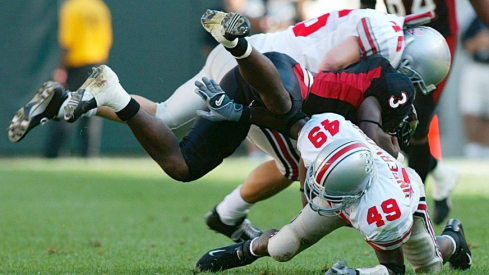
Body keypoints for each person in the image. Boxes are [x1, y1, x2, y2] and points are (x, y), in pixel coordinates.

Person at [7, 8, 447, 244]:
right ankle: (229, 216)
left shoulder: (383, 33)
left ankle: (86, 98)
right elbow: (332, 66)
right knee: (302, 162)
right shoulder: (387, 39)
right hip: (274, 71)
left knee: (161, 118)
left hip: (258, 59)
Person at [194, 113, 472, 274]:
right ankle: (247, 249)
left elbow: (393, 270)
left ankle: (453, 240)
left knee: (427, 268)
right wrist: (241, 113)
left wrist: (354, 274)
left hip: (400, 196)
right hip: (343, 190)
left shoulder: (385, 209)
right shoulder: (326, 132)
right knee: (281, 249)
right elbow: (302, 144)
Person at [358, 0, 488, 227]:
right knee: (392, 119)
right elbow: (365, 10)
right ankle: (438, 171)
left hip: (436, 41)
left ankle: (413, 211)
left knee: (416, 122)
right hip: (399, 37)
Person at [46, 0, 112, 158]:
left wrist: (61, 68)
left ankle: (54, 154)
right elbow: (107, 40)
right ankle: (88, 154)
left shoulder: (71, 7)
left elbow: (67, 41)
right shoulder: (100, 7)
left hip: (77, 63)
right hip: (97, 62)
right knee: (92, 108)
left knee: (66, 105)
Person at [459, 16, 489, 158]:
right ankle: (473, 151)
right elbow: (465, 44)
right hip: (476, 67)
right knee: (471, 109)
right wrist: (478, 42)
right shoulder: (476, 20)